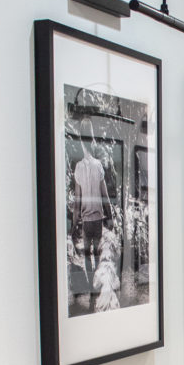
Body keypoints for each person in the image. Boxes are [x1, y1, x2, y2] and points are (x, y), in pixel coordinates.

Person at [71, 119, 112, 293]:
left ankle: (90, 288)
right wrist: (110, 216)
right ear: (93, 138)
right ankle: (96, 289)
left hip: (86, 221)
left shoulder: (79, 168)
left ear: (81, 141)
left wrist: (74, 222)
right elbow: (105, 195)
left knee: (87, 256)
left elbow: (77, 201)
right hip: (98, 220)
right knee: (97, 253)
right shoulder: (98, 166)